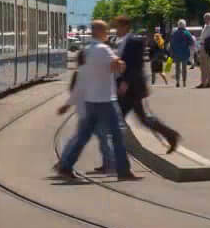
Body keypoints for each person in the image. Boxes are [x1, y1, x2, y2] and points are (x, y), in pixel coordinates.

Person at [55, 19, 135, 181]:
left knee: (82, 137)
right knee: (118, 134)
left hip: (90, 101)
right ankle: (123, 171)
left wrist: (68, 103)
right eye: (105, 31)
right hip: (106, 100)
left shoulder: (86, 51)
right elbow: (119, 66)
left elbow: (81, 81)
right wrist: (121, 64)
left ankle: (65, 166)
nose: (107, 34)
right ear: (100, 32)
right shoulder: (103, 49)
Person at [111, 17, 180, 153]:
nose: (116, 30)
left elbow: (135, 66)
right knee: (142, 119)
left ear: (125, 27)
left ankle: (113, 158)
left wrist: (125, 82)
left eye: (117, 26)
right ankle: (171, 135)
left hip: (131, 88)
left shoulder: (133, 42)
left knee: (116, 121)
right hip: (130, 88)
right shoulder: (123, 42)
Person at [167, 21, 195, 87]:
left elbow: (171, 43)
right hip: (185, 53)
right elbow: (191, 42)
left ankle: (177, 81)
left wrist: (171, 52)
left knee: (177, 68)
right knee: (184, 68)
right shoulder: (187, 33)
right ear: (184, 25)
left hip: (176, 53)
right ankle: (184, 82)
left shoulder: (174, 33)